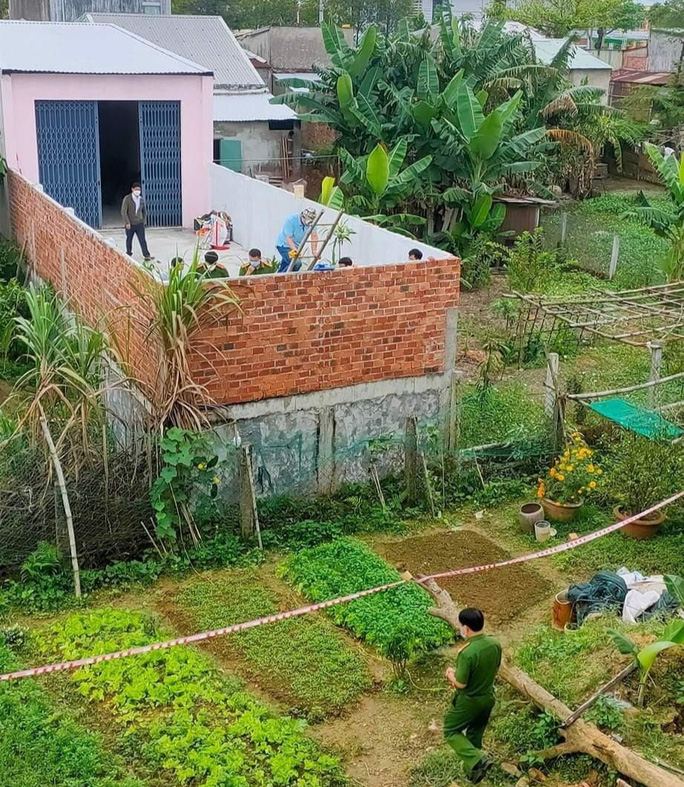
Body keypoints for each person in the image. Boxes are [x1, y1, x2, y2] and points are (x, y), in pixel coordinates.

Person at [444, 608, 501, 784]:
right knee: (475, 733)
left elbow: (461, 683)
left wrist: (450, 674)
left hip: (470, 701)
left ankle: (478, 759)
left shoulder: (467, 653)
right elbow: (496, 668)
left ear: (466, 628)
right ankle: (473, 772)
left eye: (461, 626)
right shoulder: (494, 644)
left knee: (450, 730)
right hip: (488, 698)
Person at [276, 209, 318, 273]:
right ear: (303, 217)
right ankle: (284, 278)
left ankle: (278, 279)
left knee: (285, 266)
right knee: (296, 263)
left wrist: (314, 251)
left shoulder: (312, 222)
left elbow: (314, 236)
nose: (309, 223)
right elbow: (288, 238)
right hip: (284, 245)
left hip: (296, 246)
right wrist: (295, 250)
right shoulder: (291, 220)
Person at [121, 183, 152, 261]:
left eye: (139, 189)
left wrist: (143, 221)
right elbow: (123, 211)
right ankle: (128, 253)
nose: (137, 191)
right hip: (130, 224)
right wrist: (127, 222)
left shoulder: (141, 199)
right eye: (136, 189)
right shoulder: (127, 199)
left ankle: (146, 255)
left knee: (142, 239)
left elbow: (144, 211)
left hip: (139, 223)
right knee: (129, 239)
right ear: (132, 189)